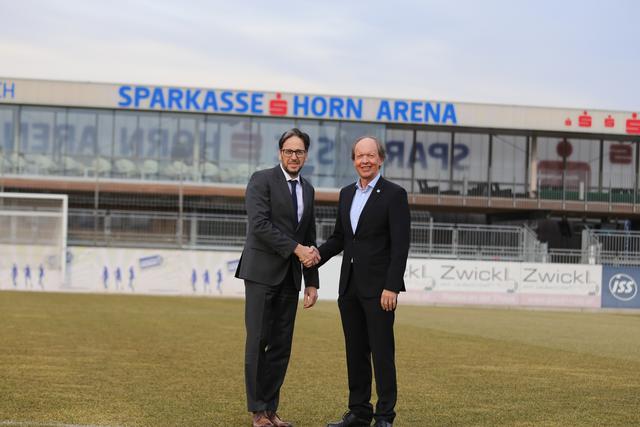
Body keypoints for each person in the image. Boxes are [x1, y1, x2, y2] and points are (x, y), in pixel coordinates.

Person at [318, 136, 410, 427]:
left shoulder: (394, 194)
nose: (365, 161)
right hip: (349, 288)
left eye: (371, 155)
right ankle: (359, 413)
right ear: (353, 160)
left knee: (382, 354)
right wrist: (313, 255)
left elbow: (400, 245)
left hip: (380, 289)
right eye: (360, 156)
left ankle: (384, 416)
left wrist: (392, 286)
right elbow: (340, 238)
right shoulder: (346, 194)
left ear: (380, 159)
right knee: (355, 353)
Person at [235, 128, 320, 427]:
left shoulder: (308, 189)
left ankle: (271, 409)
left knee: (282, 345)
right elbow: (259, 224)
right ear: (280, 153)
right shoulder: (261, 180)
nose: (294, 156)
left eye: (299, 152)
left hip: (290, 277)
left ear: (306, 155)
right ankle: (258, 411)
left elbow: (308, 235)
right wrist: (296, 249)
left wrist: (312, 280)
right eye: (288, 151)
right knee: (258, 340)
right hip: (260, 273)